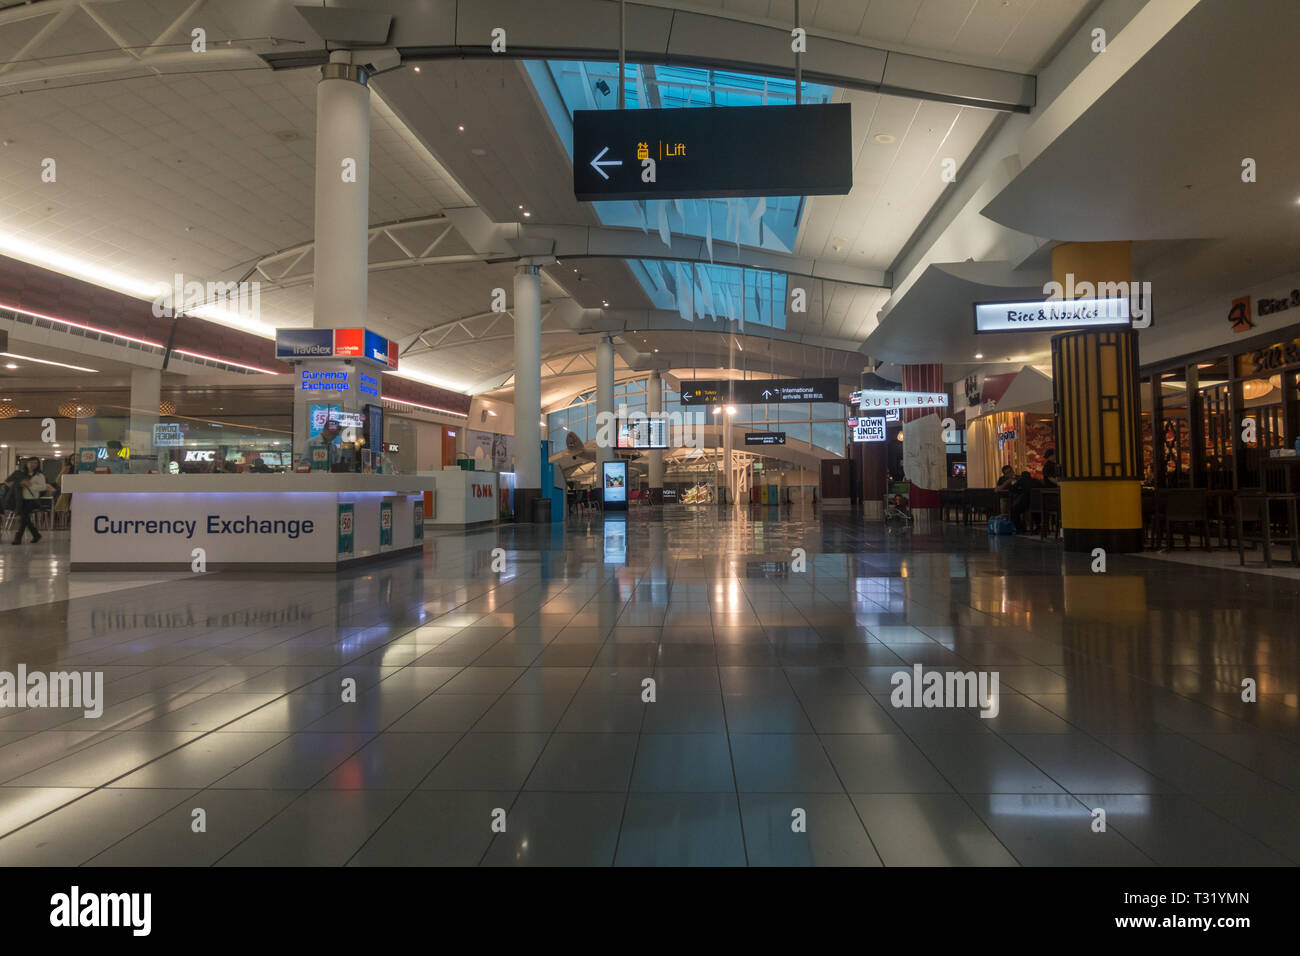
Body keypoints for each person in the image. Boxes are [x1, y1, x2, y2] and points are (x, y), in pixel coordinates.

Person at [6, 458, 47, 544]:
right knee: (25, 519)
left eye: (35, 463)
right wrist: (19, 484)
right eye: (31, 462)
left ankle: (18, 538)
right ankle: (36, 534)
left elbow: (43, 487)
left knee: (24, 518)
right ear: (27, 464)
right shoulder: (20, 474)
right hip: (20, 499)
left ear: (38, 465)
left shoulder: (39, 475)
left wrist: (30, 485)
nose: (32, 464)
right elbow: (9, 483)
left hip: (31, 500)